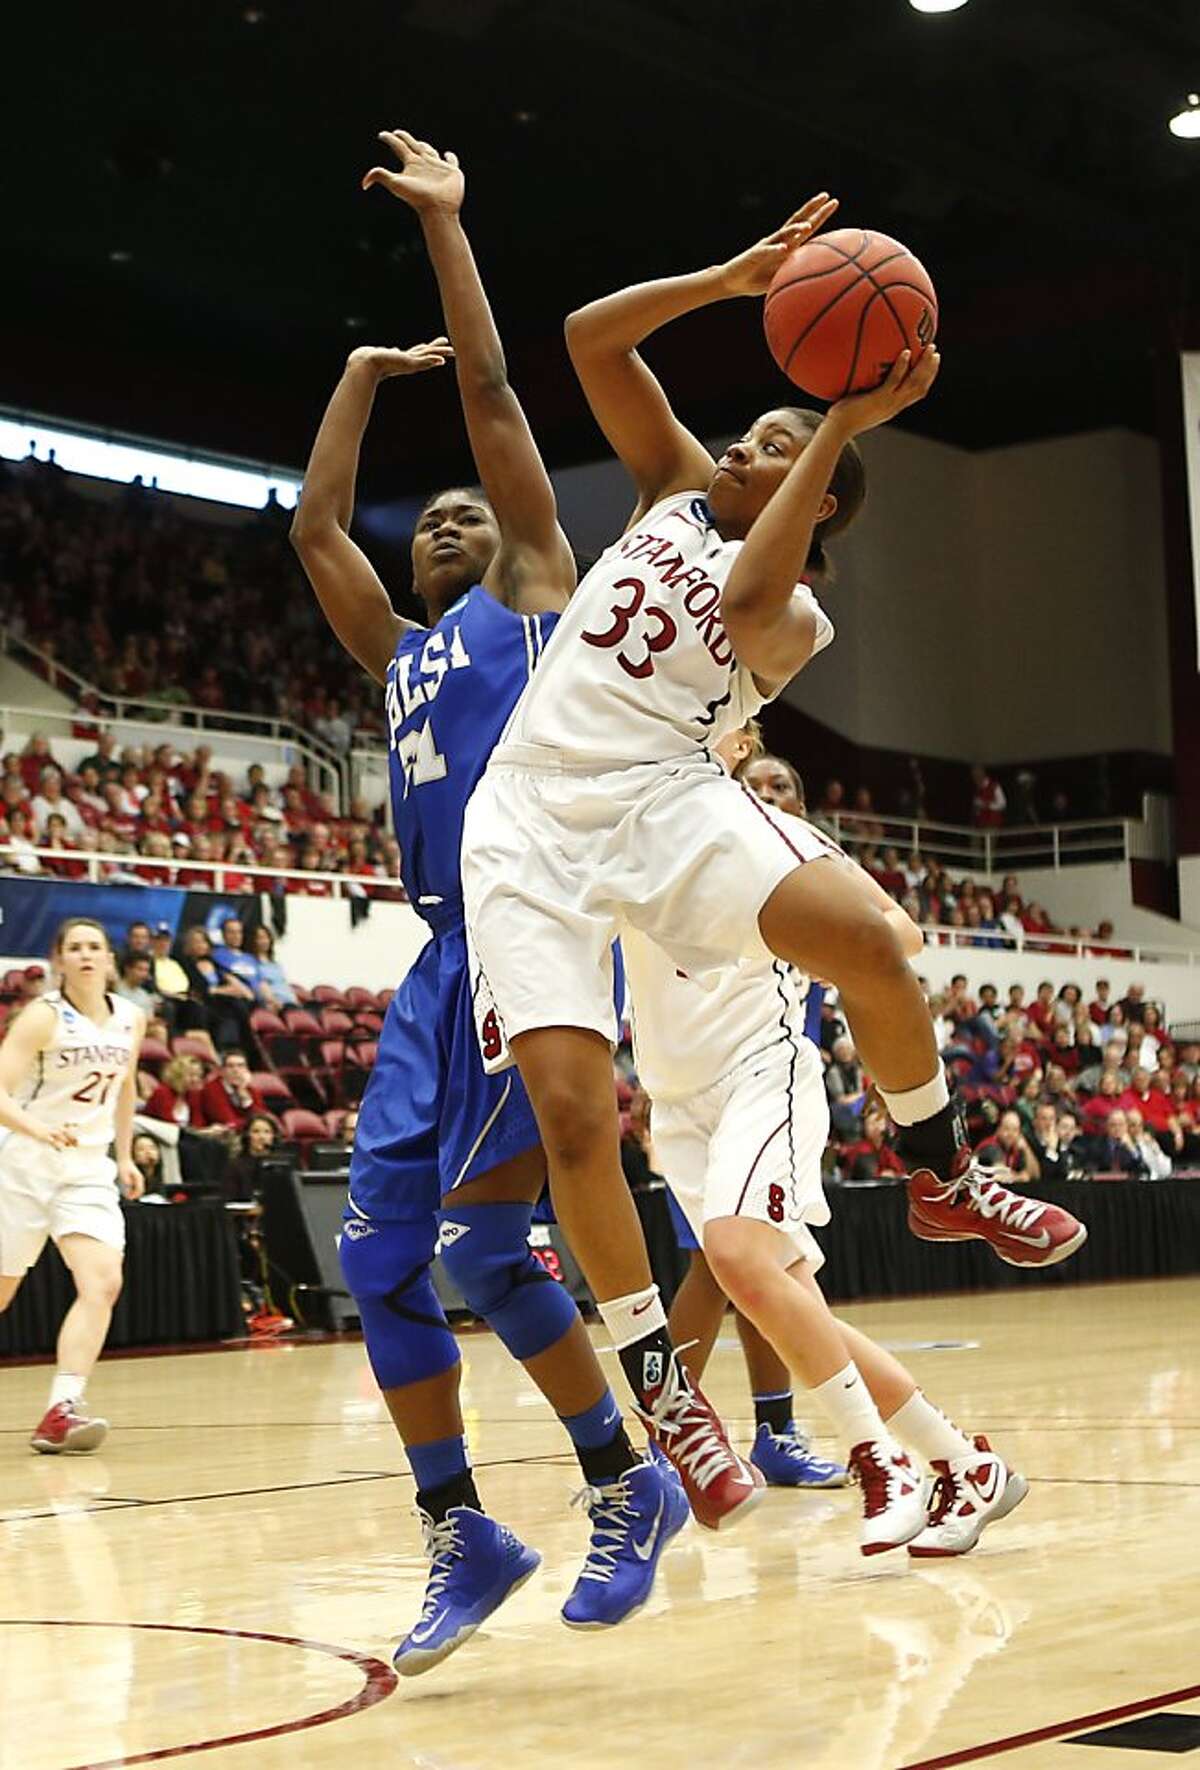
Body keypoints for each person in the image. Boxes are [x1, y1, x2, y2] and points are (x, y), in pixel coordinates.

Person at [461, 187, 1085, 1468]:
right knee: (575, 1117)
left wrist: (845, 417)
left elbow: (749, 593)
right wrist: (729, 280)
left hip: (664, 795)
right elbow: (588, 339)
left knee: (872, 940)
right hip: (530, 810)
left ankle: (941, 1171)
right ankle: (659, 1381)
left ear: (824, 501)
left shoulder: (801, 618)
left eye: (772, 443)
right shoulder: (674, 485)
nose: (739, 448)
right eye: (746, 432)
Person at [290, 130, 684, 1672]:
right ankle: (464, 1525)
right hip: (438, 968)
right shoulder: (400, 656)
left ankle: (622, 1477)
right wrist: (357, 377)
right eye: (433, 514)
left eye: (471, 510)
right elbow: (318, 528)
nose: (449, 517)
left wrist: (449, 237)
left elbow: (503, 399)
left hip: (543, 940)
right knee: (381, 1261)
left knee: (480, 1246)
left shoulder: (534, 598)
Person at [623, 727, 1027, 1556]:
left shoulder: (780, 842)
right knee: (798, 1312)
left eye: (782, 788)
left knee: (736, 1258)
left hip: (759, 1070)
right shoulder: (635, 820)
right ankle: (963, 1464)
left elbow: (897, 937)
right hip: (675, 1098)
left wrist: (806, 928)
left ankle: (879, 1459)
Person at [0, 918, 144, 1452]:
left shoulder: (131, 1017)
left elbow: (124, 1088)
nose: (86, 955)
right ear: (59, 960)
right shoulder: (41, 1017)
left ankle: (61, 1409)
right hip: (24, 1163)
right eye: (75, 947)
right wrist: (39, 1128)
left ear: (110, 959)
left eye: (95, 947)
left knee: (102, 1281)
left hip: (86, 1169)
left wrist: (125, 1155)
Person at [245, 923, 298, 1009]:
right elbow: (259, 989)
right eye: (260, 938)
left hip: (290, 1003)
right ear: (253, 940)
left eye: (266, 937)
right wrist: (275, 1002)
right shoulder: (252, 964)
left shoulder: (276, 965)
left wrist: (296, 1001)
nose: (264, 941)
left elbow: (285, 985)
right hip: (275, 1005)